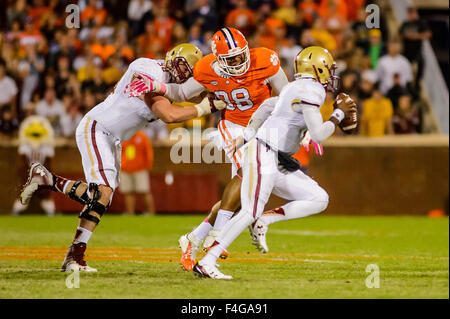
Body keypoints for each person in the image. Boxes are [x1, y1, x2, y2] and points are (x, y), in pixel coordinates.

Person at [19, 43, 226, 272]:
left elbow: (192, 92)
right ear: (171, 57)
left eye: (189, 72)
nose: (183, 74)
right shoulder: (147, 68)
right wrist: (207, 107)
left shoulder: (170, 83)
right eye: (182, 66)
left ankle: (73, 255)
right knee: (101, 194)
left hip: (113, 138)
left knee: (100, 199)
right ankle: (47, 182)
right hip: (97, 128)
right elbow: (167, 114)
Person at [131, 27, 290, 270]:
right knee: (247, 175)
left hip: (261, 129)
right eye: (231, 59)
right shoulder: (207, 68)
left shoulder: (265, 60)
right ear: (219, 59)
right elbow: (182, 92)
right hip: (234, 126)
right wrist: (158, 87)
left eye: (240, 56)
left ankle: (193, 238)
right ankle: (216, 235)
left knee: (244, 195)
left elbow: (286, 96)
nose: (238, 62)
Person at [193, 46, 356, 279]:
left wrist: (249, 132)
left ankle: (266, 219)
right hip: (265, 154)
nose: (330, 75)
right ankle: (207, 261)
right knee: (248, 210)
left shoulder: (293, 87)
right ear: (318, 68)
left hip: (274, 157)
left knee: (319, 198)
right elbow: (319, 134)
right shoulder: (311, 90)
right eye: (328, 69)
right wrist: (338, 115)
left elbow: (269, 106)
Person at [120, 130, 155, 215]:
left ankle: (151, 212)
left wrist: (148, 165)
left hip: (140, 169)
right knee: (128, 192)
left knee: (144, 191)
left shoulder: (142, 136)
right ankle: (130, 213)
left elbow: (148, 152)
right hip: (125, 169)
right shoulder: (123, 137)